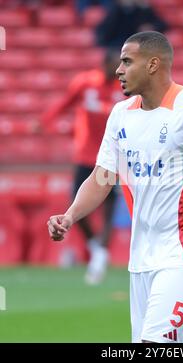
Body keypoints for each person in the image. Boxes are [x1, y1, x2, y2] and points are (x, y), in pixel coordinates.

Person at [47, 31, 183, 343]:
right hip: (141, 260)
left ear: (154, 65)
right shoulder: (120, 115)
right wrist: (70, 215)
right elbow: (102, 178)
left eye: (127, 61)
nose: (118, 70)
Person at [42, 48, 124, 285]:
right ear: (105, 64)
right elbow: (64, 103)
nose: (119, 70)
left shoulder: (124, 90)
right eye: (116, 64)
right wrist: (46, 121)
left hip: (113, 158)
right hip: (86, 155)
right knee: (75, 203)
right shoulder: (85, 83)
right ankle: (95, 246)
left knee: (109, 208)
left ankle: (100, 257)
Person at [95, 0, 168, 48]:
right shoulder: (115, 10)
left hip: (138, 45)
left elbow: (162, 25)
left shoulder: (143, 9)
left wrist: (151, 27)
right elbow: (105, 31)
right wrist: (125, 9)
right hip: (117, 46)